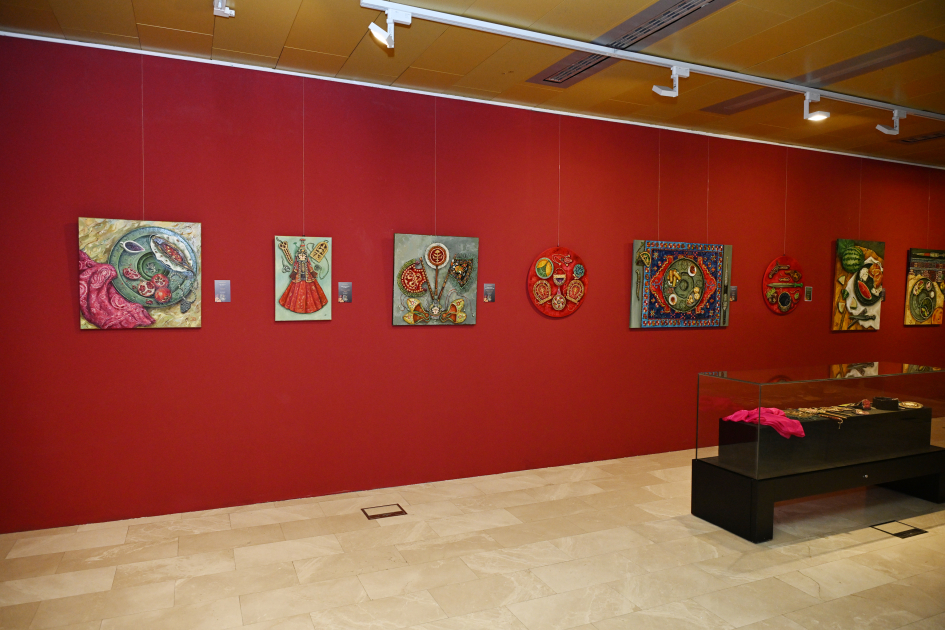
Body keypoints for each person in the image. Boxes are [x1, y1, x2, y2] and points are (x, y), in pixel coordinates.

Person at [279, 240, 328, 314]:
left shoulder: (307, 263)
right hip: (298, 279)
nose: (302, 257)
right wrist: (294, 273)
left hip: (308, 279)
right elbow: (295, 268)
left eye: (303, 255)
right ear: (298, 256)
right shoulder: (297, 264)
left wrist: (312, 272)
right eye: (300, 255)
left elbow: (310, 268)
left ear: (306, 256)